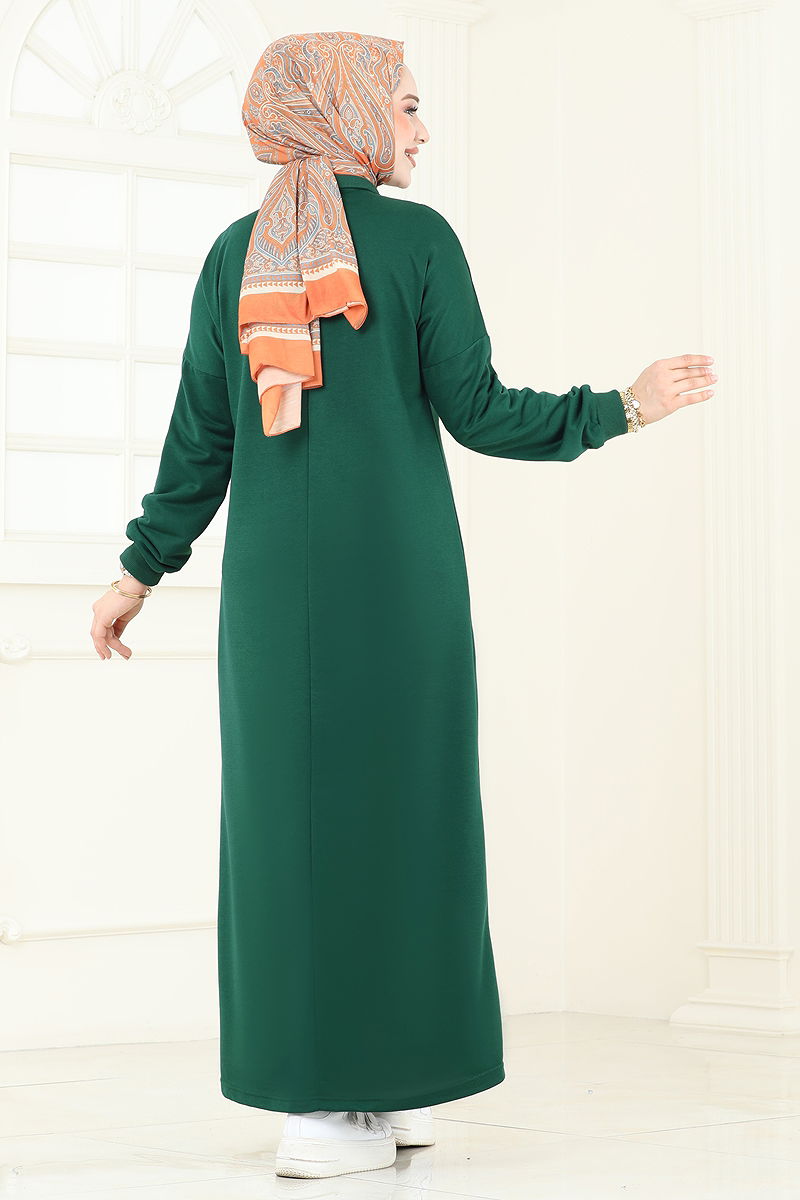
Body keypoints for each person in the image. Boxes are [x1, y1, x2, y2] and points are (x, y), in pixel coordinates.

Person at [90, 30, 717, 1181]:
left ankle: (378, 1086)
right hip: (401, 584)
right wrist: (618, 408)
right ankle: (329, 1105)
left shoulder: (235, 256)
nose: (423, 129)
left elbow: (199, 443)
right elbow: (478, 411)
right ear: (343, 109)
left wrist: (140, 570)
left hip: (275, 600)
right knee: (403, 819)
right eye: (408, 105)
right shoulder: (413, 240)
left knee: (297, 834)